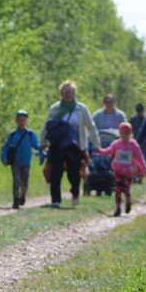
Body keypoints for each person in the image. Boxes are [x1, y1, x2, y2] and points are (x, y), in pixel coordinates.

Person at [39, 80, 100, 208]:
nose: (67, 94)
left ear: (75, 93)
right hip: (57, 145)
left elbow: (91, 127)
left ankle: (75, 193)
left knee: (74, 173)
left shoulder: (81, 109)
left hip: (75, 146)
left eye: (70, 92)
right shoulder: (55, 108)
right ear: (61, 93)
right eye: (65, 91)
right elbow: (47, 125)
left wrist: (96, 145)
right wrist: (43, 141)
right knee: (56, 172)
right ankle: (55, 200)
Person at [95, 122, 146, 216]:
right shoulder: (117, 144)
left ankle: (128, 200)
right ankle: (118, 208)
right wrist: (99, 151)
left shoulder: (133, 145)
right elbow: (109, 151)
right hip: (117, 171)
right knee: (118, 189)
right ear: (119, 134)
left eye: (126, 133)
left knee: (125, 188)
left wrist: (145, 171)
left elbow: (140, 159)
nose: (124, 135)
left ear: (130, 134)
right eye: (122, 133)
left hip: (128, 172)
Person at [1, 110, 41, 209]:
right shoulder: (13, 134)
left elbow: (36, 146)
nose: (21, 122)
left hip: (26, 162)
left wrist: (44, 148)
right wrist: (3, 158)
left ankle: (22, 196)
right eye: (19, 120)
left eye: (23, 120)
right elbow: (6, 146)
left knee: (24, 182)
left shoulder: (31, 134)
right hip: (15, 161)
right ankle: (15, 200)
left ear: (27, 121)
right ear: (16, 121)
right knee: (16, 181)